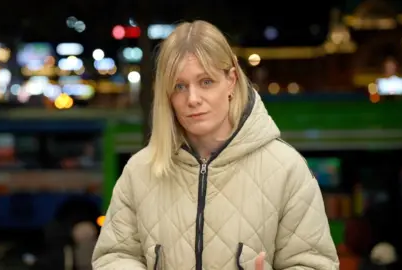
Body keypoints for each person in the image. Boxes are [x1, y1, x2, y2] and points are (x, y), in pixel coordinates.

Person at [92, 20, 339, 269]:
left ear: (230, 80)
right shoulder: (139, 171)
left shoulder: (287, 169)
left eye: (206, 82)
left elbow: (315, 263)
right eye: (180, 86)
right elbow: (114, 256)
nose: (193, 99)